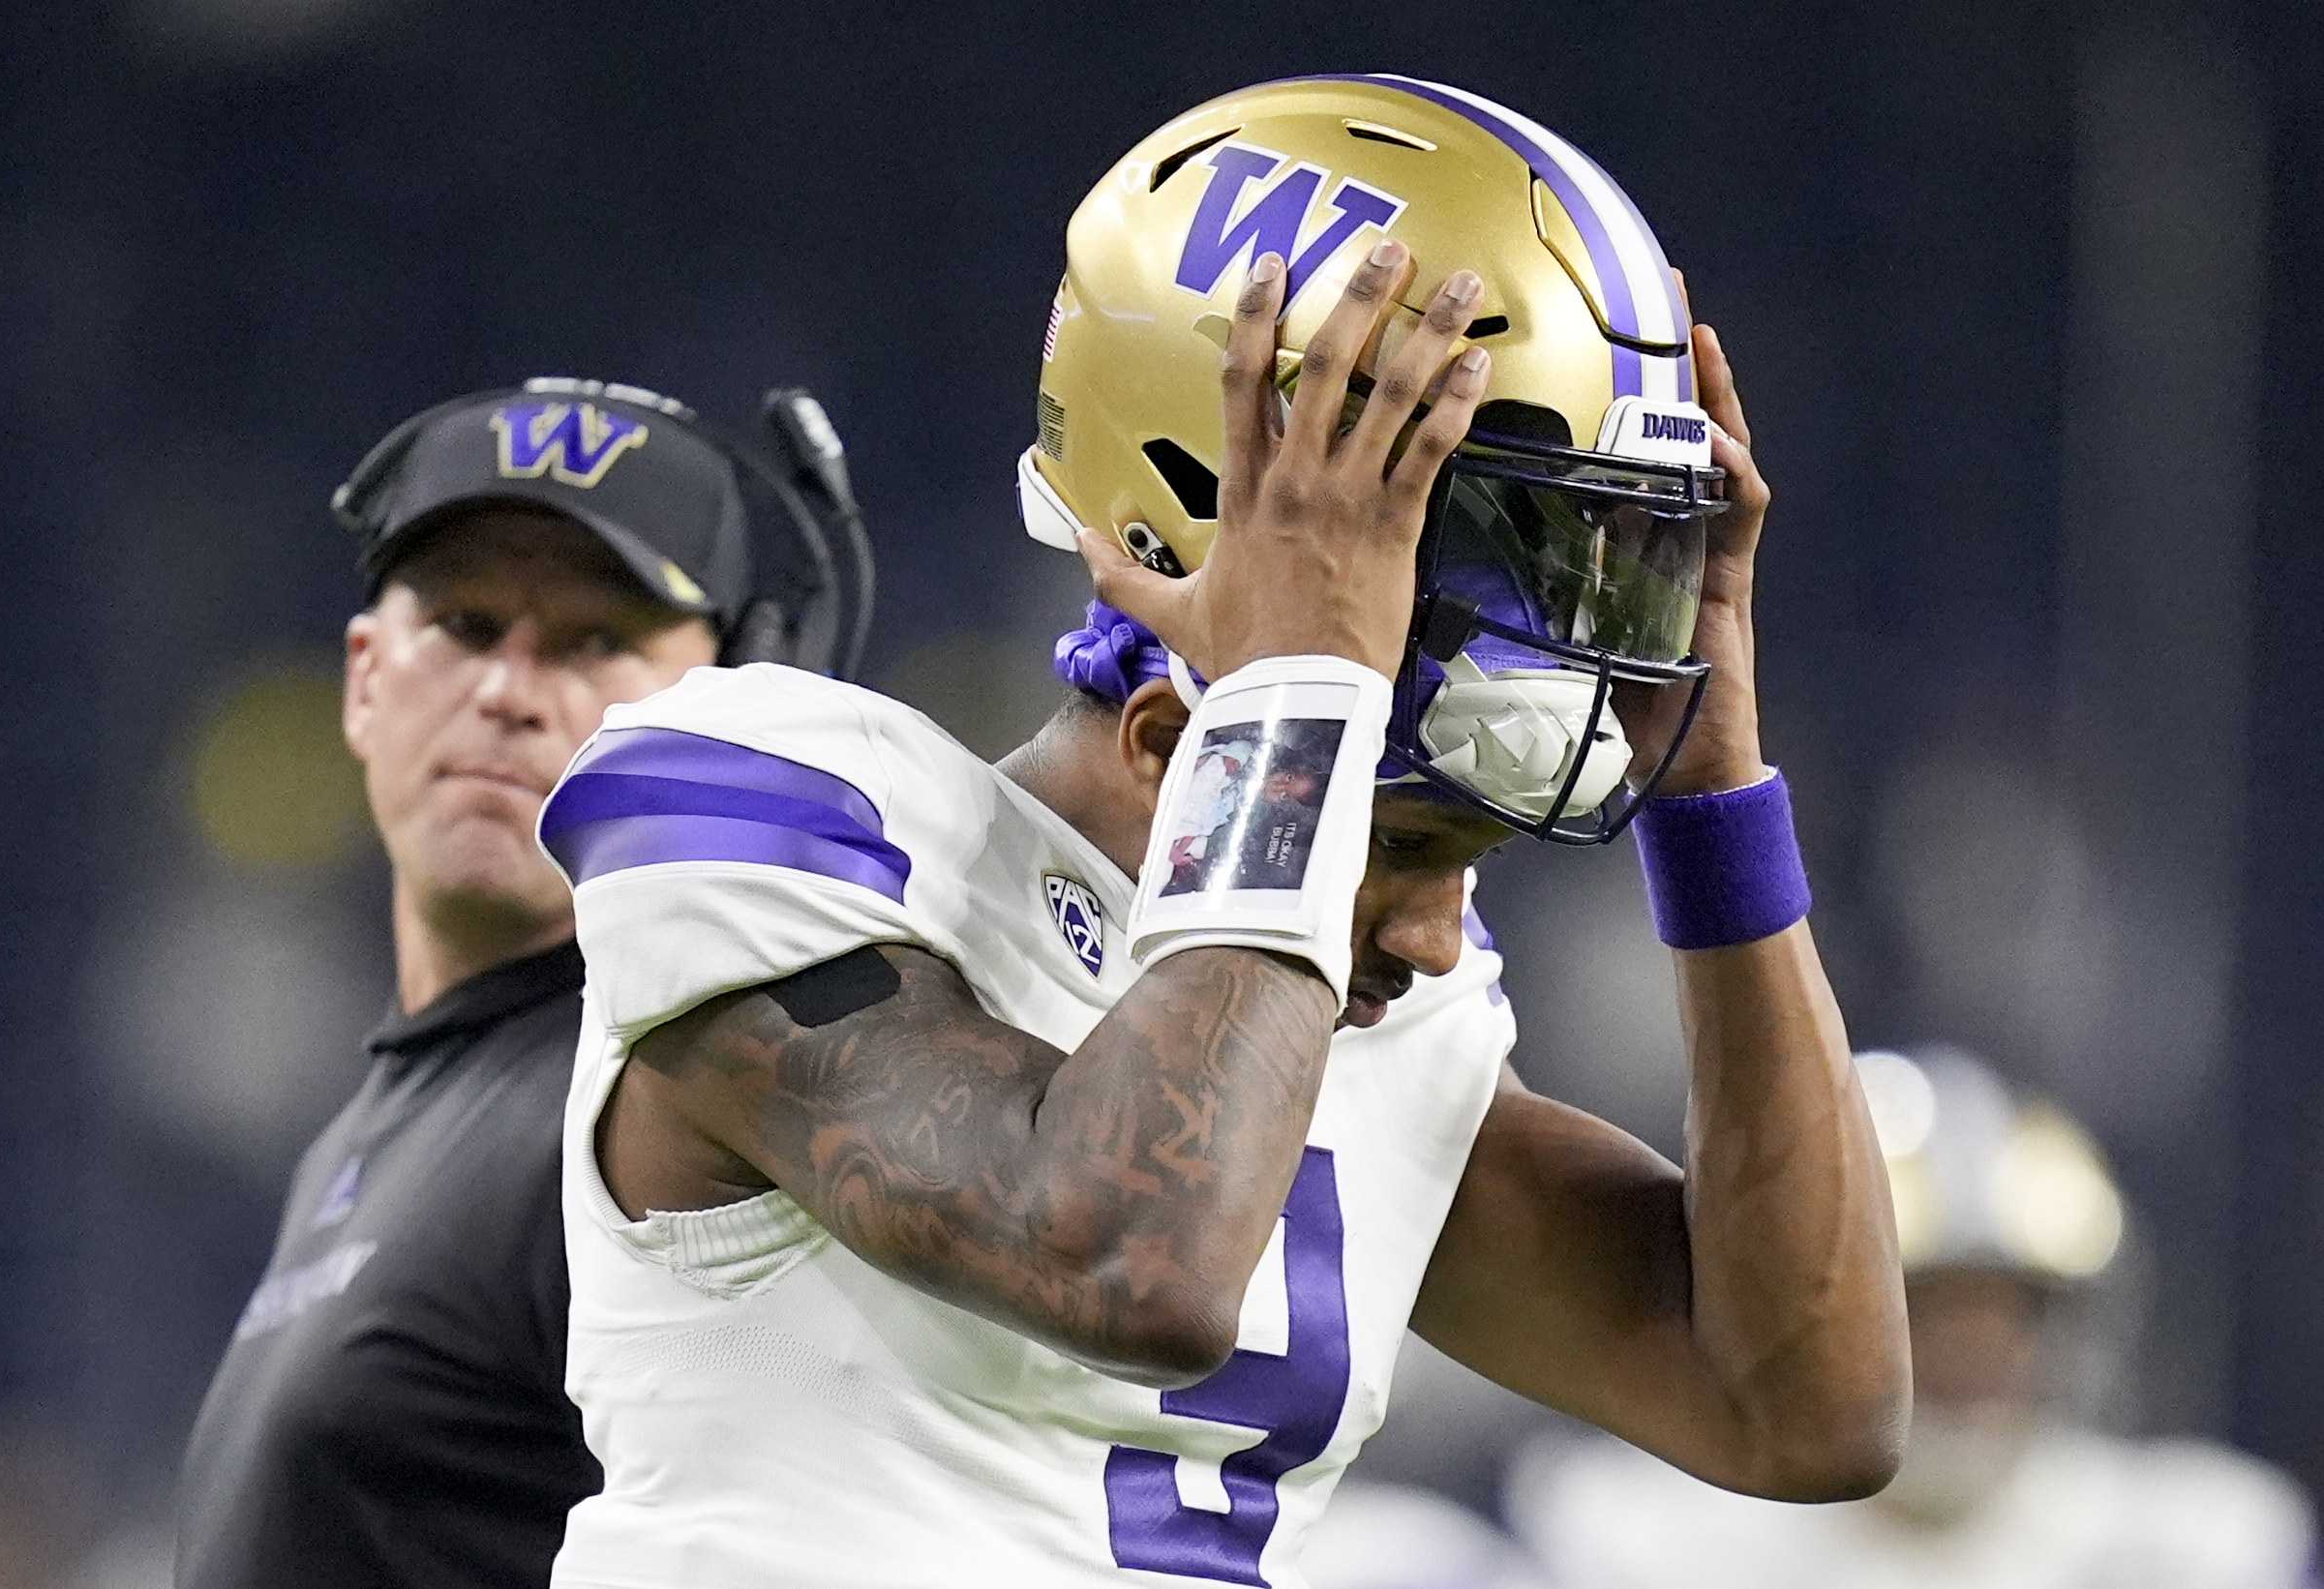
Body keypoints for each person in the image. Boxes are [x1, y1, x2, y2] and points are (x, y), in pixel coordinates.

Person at [539, 75, 1909, 1588]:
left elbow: (1803, 1408)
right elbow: (1125, 1255)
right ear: (1165, 740)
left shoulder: (1388, 1022)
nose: (1440, 933)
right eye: (1400, 846)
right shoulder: (775, 796)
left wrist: (1715, 798)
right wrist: (1299, 698)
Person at [175, 378, 852, 1588]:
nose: (509, 688)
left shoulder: (673, 1095)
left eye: (597, 639)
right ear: (366, 680)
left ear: (737, 709)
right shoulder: (374, 1129)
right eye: (468, 626)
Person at [1512, 1047, 2318, 1588]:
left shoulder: (2183, 1542)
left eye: (2005, 1314)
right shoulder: (1644, 1537)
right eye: (1922, 1311)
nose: (1972, 1353)